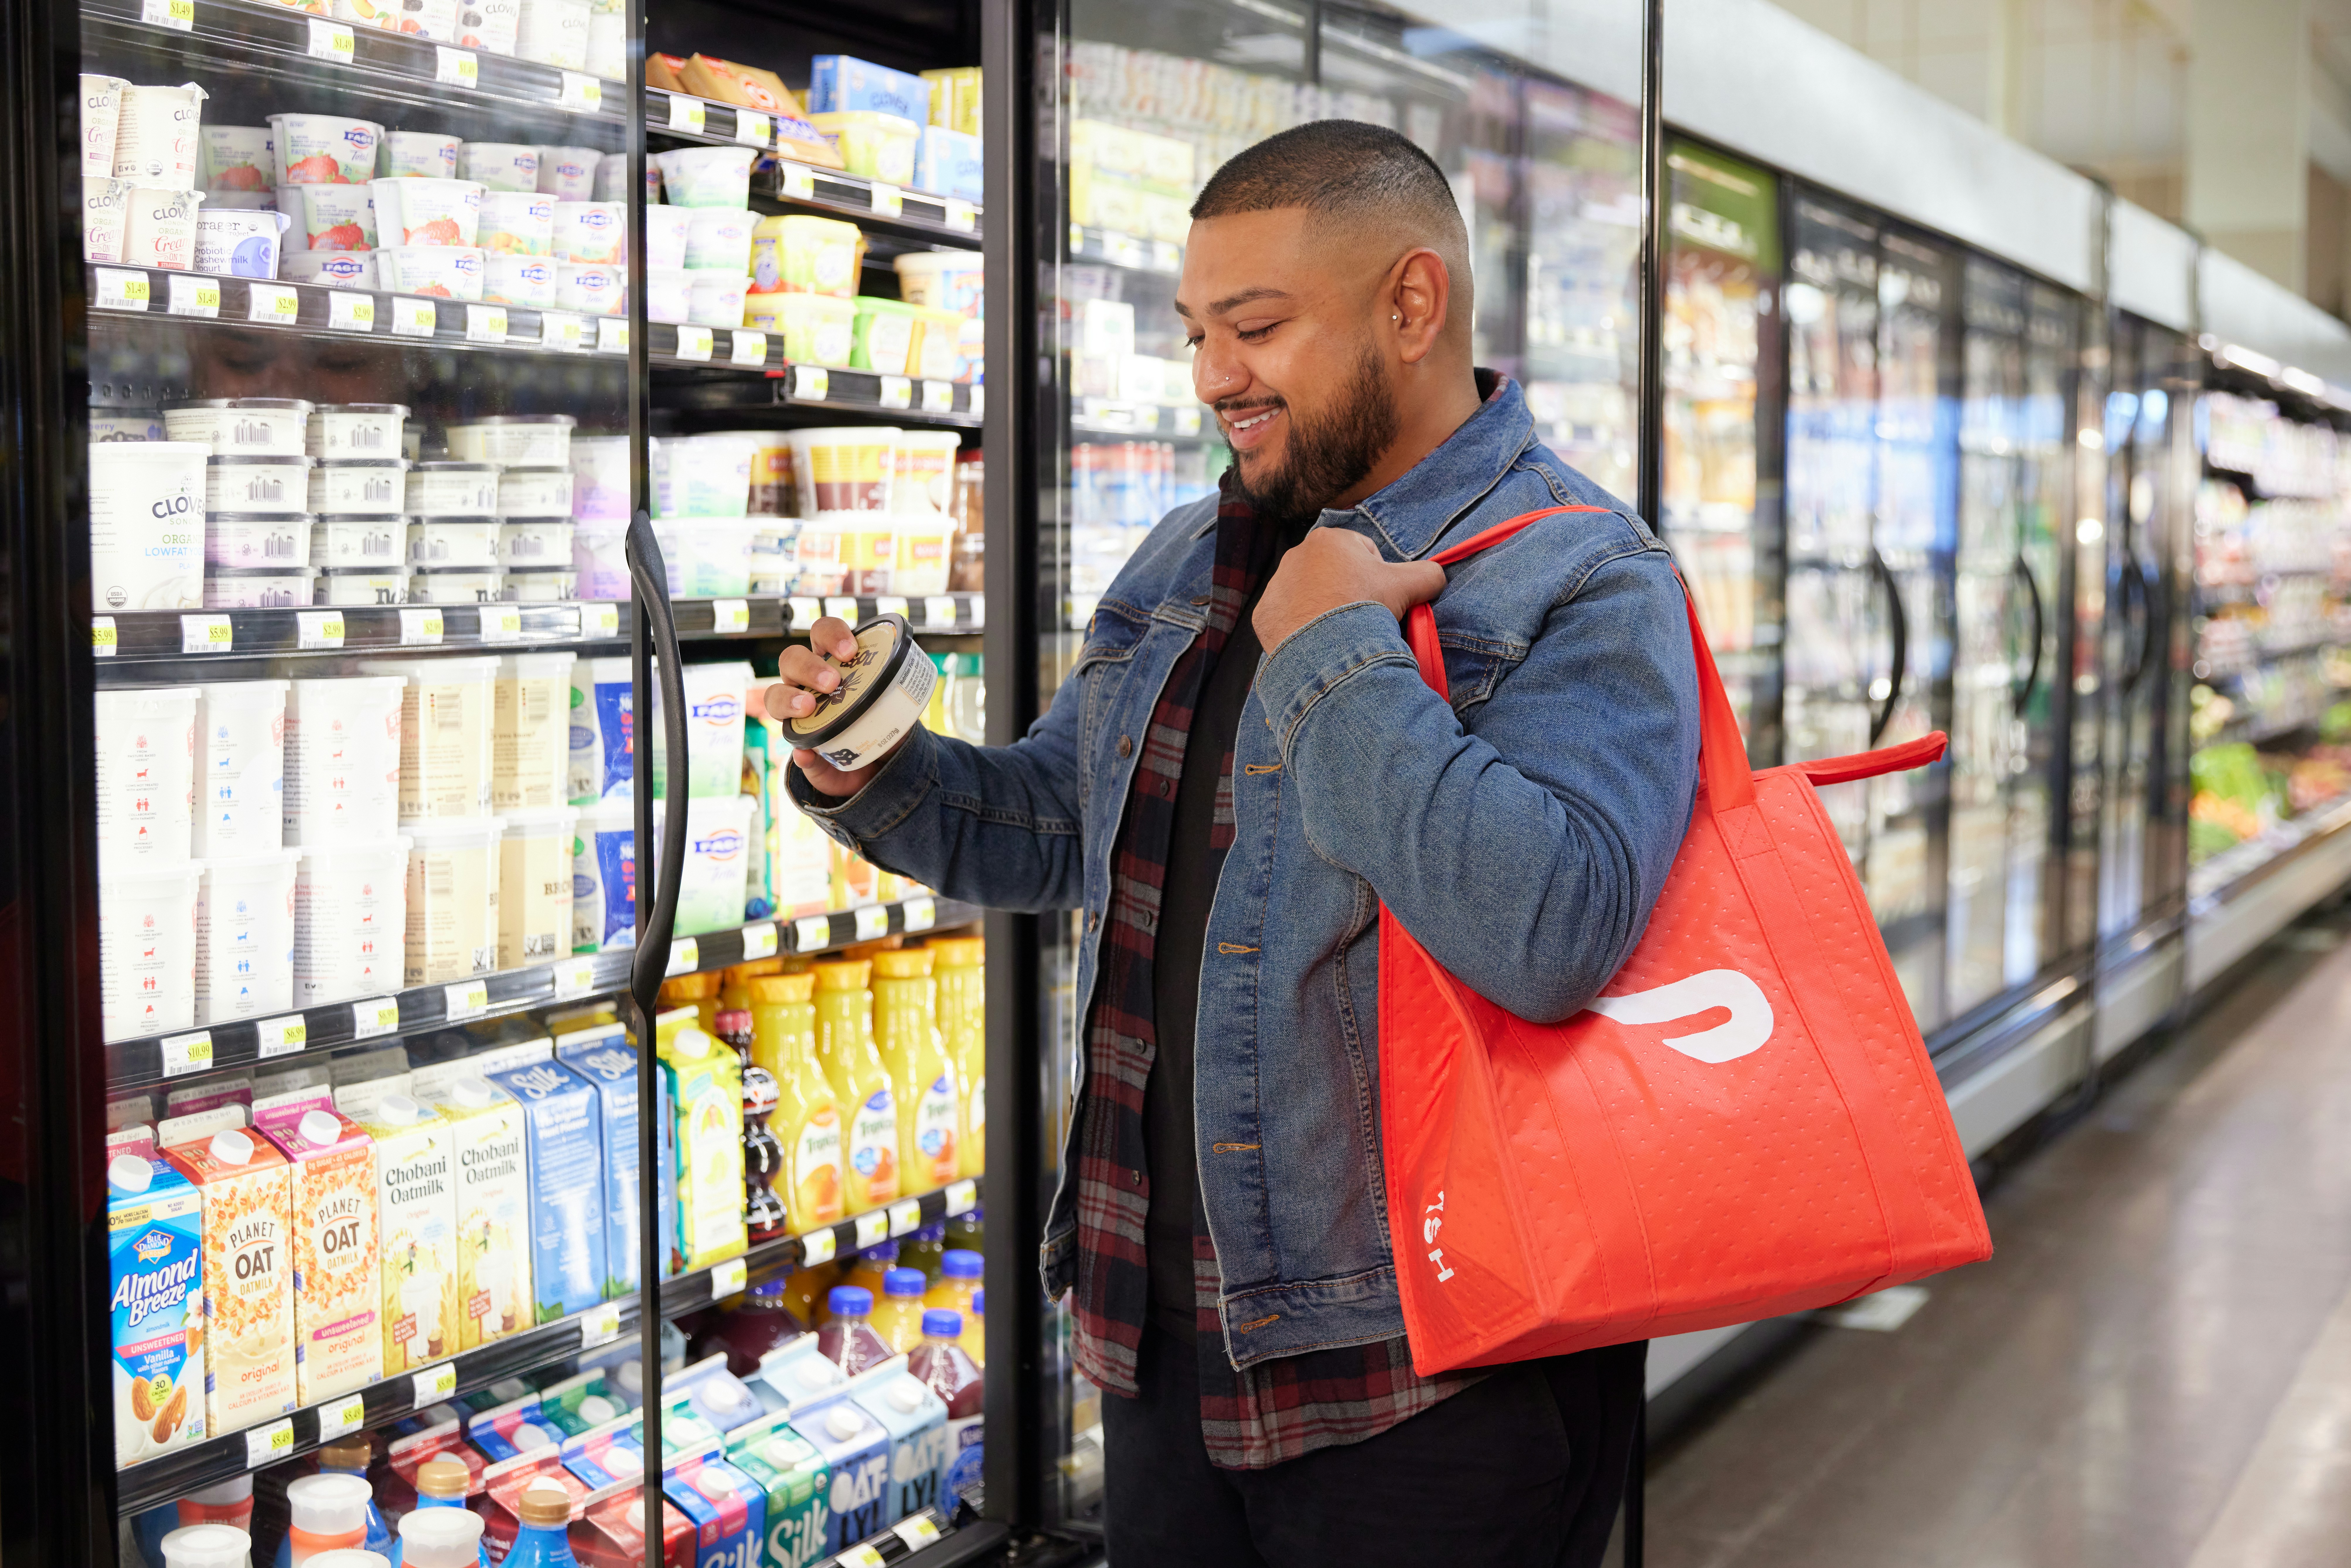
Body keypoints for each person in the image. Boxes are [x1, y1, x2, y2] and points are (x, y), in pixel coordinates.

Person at [767, 119, 1699, 1566]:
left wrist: (1334, 647)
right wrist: (872, 761)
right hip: (1156, 1337)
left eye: (1254, 328)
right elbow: (1064, 833)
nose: (1213, 377)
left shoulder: (1579, 571)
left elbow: (1553, 931)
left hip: (1435, 1371)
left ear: (1411, 303)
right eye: (1199, 331)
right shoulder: (1186, 557)